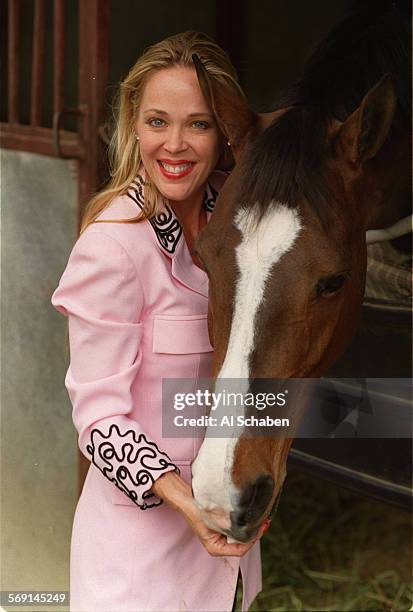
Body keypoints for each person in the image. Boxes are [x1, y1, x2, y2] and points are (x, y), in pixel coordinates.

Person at [51, 31, 266, 612]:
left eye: (198, 124)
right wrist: (187, 499)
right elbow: (98, 419)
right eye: (157, 122)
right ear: (134, 127)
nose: (175, 144)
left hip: (225, 538)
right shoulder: (112, 247)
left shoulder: (244, 225)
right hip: (138, 552)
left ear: (224, 134)